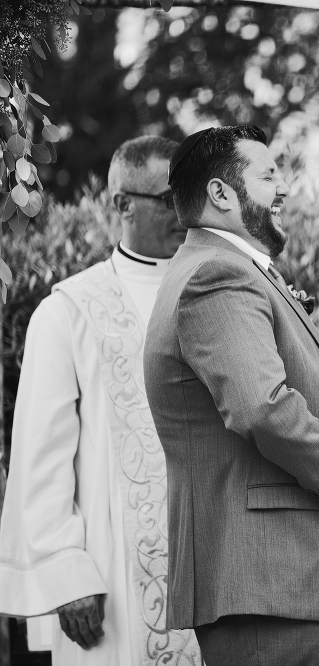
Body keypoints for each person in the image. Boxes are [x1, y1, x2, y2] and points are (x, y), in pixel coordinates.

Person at [143, 125, 319, 666]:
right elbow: (263, 406)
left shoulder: (222, 270)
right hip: (269, 585)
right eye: (267, 175)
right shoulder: (217, 276)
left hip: (290, 585)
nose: (284, 187)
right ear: (221, 194)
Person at [0, 137, 203, 665]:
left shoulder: (222, 293)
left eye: (190, 197)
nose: (185, 214)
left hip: (220, 563)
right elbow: (41, 454)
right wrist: (66, 570)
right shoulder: (69, 311)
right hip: (116, 569)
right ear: (122, 204)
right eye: (168, 199)